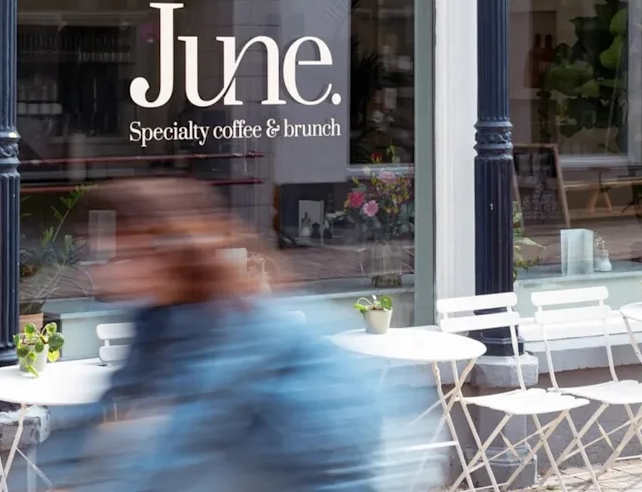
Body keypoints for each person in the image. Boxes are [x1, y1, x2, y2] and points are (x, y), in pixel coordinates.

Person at [57, 176, 435, 492]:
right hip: (253, 466)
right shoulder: (156, 314)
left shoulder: (237, 323)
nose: (105, 270)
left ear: (164, 256)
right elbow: (110, 399)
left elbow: (186, 446)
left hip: (324, 469)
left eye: (122, 255)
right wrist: (66, 471)